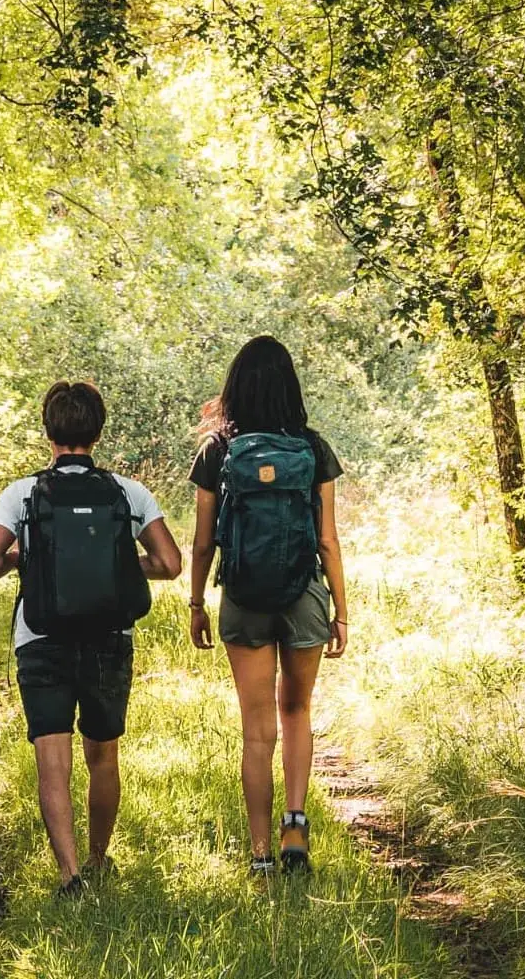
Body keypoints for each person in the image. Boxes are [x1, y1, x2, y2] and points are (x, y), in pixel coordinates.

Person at [0, 379, 182, 897]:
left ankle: (70, 876)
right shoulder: (129, 493)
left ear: (48, 431)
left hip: (41, 637)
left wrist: (28, 560)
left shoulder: (22, 493)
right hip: (110, 635)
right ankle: (98, 857)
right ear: (98, 431)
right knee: (103, 755)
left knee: (53, 758)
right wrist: (116, 567)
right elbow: (169, 564)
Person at [188, 335, 349, 878]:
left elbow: (204, 541)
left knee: (256, 729)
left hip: (244, 597)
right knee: (297, 712)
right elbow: (327, 540)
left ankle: (259, 853)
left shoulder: (217, 450)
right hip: (303, 595)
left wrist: (196, 602)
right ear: (290, 387)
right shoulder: (311, 446)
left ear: (236, 386)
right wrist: (340, 612)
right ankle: (295, 828)